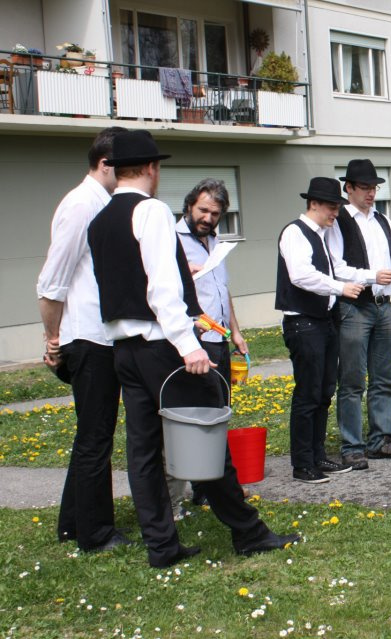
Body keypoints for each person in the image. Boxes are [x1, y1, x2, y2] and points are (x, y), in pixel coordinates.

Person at [87, 130, 299, 568]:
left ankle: (161, 546)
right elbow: (162, 286)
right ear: (150, 169)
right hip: (163, 345)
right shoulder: (151, 212)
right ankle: (248, 532)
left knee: (143, 451)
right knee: (208, 439)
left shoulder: (101, 217)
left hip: (123, 347)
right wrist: (188, 344)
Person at [37, 126, 130, 553]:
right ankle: (95, 534)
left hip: (100, 335)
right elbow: (52, 281)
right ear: (105, 164)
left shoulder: (103, 202)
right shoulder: (80, 204)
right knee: (95, 438)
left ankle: (73, 523)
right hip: (86, 336)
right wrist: (53, 336)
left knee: (92, 435)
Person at [326, 159, 391, 470]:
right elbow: (335, 267)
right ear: (348, 188)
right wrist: (370, 276)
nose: (371, 193)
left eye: (374, 187)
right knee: (352, 379)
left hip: (383, 306)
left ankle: (381, 439)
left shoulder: (382, 220)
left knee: (385, 377)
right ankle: (352, 445)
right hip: (354, 306)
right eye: (365, 187)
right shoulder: (340, 221)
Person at [277, 177, 364, 483]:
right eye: (331, 207)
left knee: (324, 392)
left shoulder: (321, 235)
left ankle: (317, 456)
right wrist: (340, 288)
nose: (335, 214)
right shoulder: (294, 232)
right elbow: (301, 275)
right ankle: (302, 464)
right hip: (303, 323)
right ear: (313, 203)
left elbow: (331, 269)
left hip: (324, 322)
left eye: (337, 207)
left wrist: (364, 277)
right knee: (308, 394)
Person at [171, 179, 248, 510]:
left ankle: (209, 486)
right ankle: (203, 486)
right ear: (189, 205)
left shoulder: (215, 241)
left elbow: (222, 290)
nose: (208, 218)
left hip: (219, 339)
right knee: (201, 415)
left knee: (220, 411)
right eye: (203, 210)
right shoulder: (171, 241)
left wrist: (236, 331)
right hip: (194, 341)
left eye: (215, 213)